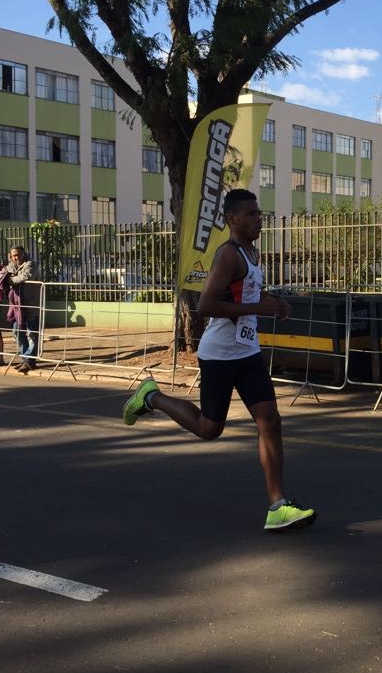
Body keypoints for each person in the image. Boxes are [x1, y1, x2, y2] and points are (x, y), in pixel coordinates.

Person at [122, 189, 316, 532]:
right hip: (220, 355)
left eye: (260, 214)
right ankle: (151, 396)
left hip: (247, 352)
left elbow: (247, 294)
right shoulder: (228, 255)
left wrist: (274, 303)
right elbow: (206, 306)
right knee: (209, 429)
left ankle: (278, 505)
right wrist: (258, 308)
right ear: (232, 219)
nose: (259, 219)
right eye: (252, 214)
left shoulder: (252, 252)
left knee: (269, 419)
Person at [0, 246, 41, 373]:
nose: (16, 257)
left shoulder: (31, 264)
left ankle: (30, 360)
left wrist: (9, 280)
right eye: (14, 255)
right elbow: (0, 275)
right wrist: (9, 278)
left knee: (32, 333)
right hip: (16, 306)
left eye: (18, 254)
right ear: (10, 256)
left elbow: (26, 276)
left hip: (31, 304)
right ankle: (24, 358)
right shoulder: (10, 266)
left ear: (23, 254)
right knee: (17, 331)